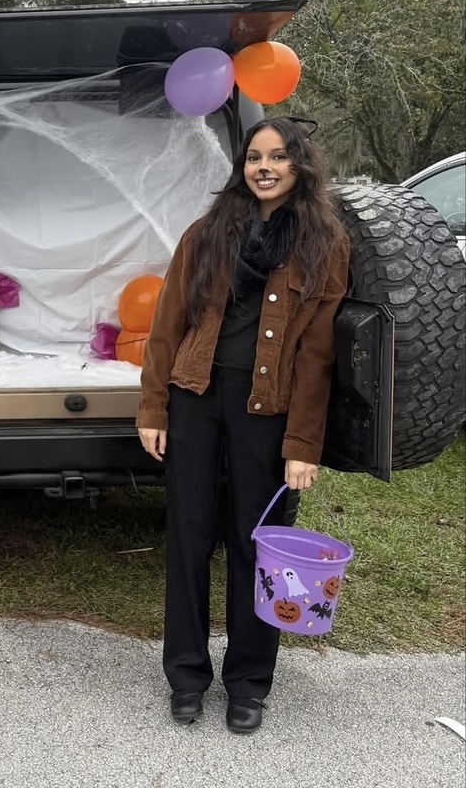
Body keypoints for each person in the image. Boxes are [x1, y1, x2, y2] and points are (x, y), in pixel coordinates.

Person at [137, 117, 349, 734]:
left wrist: (303, 444)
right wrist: (155, 407)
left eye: (278, 157)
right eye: (255, 157)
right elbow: (167, 325)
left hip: (269, 408)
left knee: (261, 548)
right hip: (195, 397)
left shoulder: (324, 246)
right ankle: (185, 674)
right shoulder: (207, 235)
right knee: (189, 534)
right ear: (241, 166)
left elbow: (318, 356)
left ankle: (249, 682)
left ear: (299, 167)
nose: (264, 167)